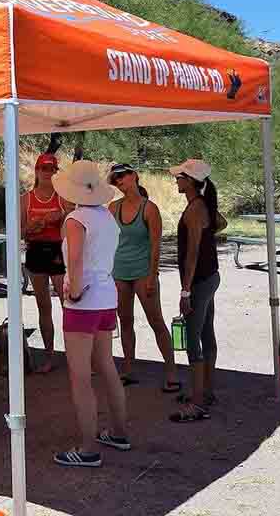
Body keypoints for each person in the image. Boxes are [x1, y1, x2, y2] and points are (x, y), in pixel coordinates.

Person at [50, 161, 130, 467]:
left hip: (84, 299)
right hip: (107, 296)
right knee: (106, 364)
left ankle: (87, 448)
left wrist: (73, 292)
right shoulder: (106, 217)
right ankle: (119, 432)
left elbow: (76, 260)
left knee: (80, 375)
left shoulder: (76, 219)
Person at [107, 163, 179, 392]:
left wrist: (152, 275)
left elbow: (156, 246)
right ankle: (128, 369)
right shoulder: (112, 207)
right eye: (115, 179)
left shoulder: (149, 209)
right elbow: (106, 241)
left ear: (134, 176)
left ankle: (171, 371)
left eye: (122, 176)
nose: (119, 182)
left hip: (142, 272)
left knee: (155, 320)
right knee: (125, 321)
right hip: (119, 271)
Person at [169, 159, 227, 423]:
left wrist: (185, 291)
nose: (176, 181)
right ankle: (206, 391)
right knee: (207, 333)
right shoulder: (204, 206)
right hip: (211, 277)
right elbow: (220, 222)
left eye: (180, 177)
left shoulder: (194, 210)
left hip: (199, 282)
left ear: (190, 181)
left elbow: (191, 255)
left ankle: (197, 402)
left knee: (194, 340)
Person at [21, 153, 71, 374]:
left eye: (52, 169)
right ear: (37, 171)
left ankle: (74, 355)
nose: (48, 173)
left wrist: (60, 217)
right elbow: (20, 231)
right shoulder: (26, 199)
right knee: (44, 307)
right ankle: (50, 355)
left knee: (67, 304)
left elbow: (75, 226)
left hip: (58, 251)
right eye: (44, 169)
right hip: (35, 251)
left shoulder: (64, 197)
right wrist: (36, 225)